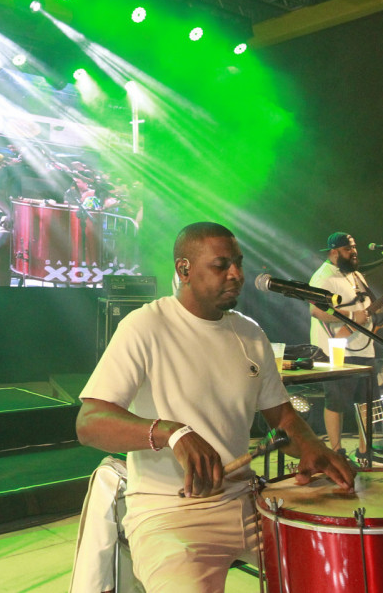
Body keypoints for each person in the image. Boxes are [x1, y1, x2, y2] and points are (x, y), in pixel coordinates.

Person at [76, 222, 354, 593]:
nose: (237, 274)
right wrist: (171, 432)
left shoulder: (251, 334)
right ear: (184, 270)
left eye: (238, 263)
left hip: (246, 502)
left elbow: (283, 417)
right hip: (169, 514)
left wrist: (314, 449)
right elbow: (89, 422)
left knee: (336, 572)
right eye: (221, 265)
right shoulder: (144, 326)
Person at [309, 232, 383, 463]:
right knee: (337, 401)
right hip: (338, 349)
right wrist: (352, 316)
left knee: (367, 400)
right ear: (333, 252)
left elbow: (370, 310)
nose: (354, 252)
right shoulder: (323, 277)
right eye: (347, 249)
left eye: (353, 248)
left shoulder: (356, 276)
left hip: (364, 347)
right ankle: (337, 451)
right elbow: (317, 310)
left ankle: (364, 451)